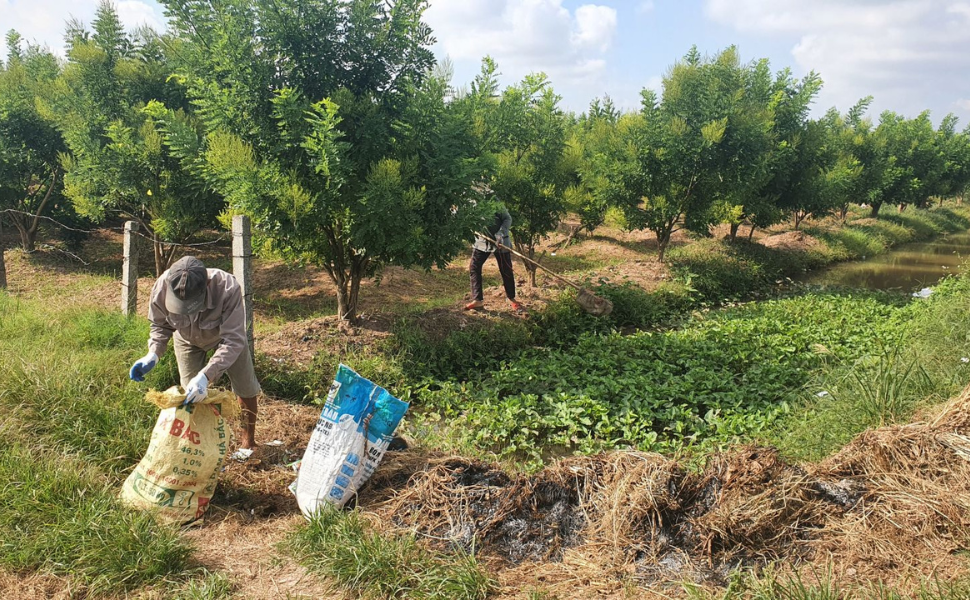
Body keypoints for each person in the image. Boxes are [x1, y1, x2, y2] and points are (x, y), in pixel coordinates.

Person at [129, 255, 260, 461]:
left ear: (206, 285)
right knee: (190, 396)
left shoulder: (226, 288)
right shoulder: (162, 286)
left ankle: (248, 443)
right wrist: (153, 354)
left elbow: (234, 340)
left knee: (245, 387)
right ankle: (201, 450)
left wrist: (206, 376)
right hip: (187, 339)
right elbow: (160, 326)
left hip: (226, 340)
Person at [465, 207, 524, 312]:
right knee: (474, 267)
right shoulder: (469, 200)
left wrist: (501, 233)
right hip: (482, 241)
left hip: (500, 242)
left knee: (506, 270)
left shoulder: (493, 200)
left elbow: (507, 218)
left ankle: (511, 298)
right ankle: (477, 300)